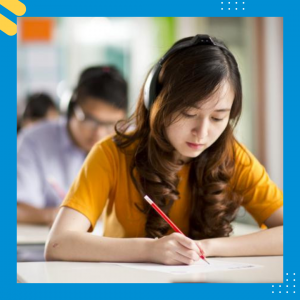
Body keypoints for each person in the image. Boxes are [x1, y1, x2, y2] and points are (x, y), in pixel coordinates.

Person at [45, 35, 283, 265]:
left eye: (218, 118)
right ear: (156, 102)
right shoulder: (111, 154)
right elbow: (58, 244)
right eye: (188, 114)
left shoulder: (232, 156)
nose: (202, 133)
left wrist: (209, 247)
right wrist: (151, 249)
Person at [17, 66, 128, 226]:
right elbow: (16, 209)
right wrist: (65, 216)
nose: (99, 133)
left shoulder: (129, 142)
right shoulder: (34, 141)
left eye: (111, 124)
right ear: (71, 108)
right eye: (90, 120)